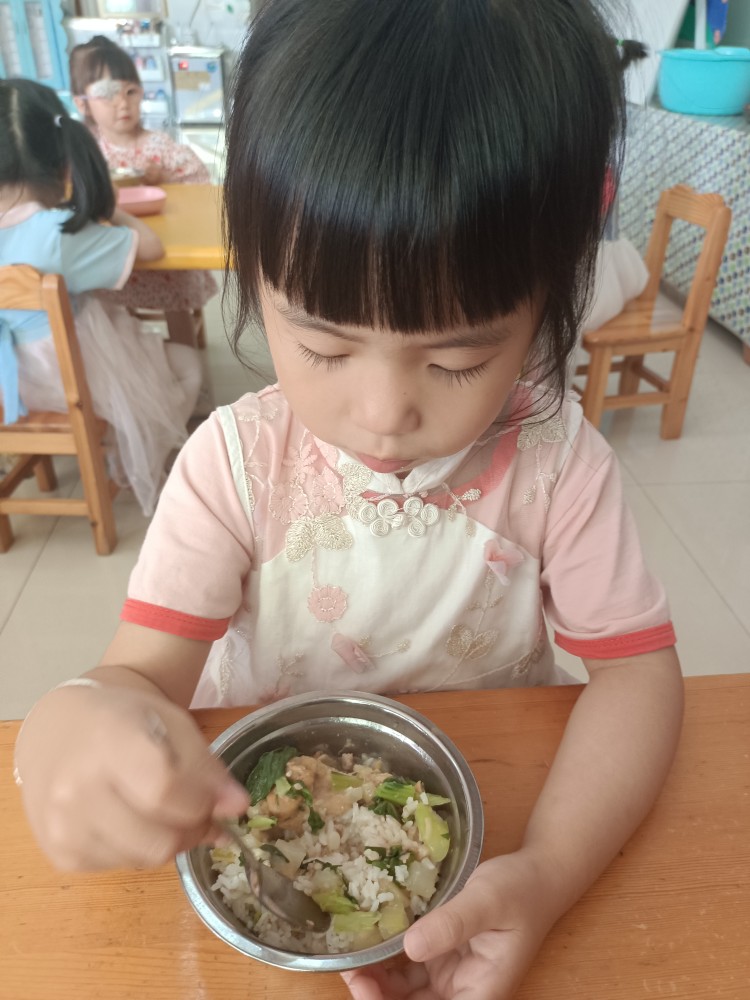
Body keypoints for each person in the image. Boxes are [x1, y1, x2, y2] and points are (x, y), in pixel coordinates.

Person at [14, 3, 684, 999]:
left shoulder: (558, 465)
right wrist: (69, 722)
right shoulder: (235, 465)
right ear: (256, 274)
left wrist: (547, 873)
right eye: (323, 345)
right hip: (265, 839)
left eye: (456, 359)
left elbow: (638, 678)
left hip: (499, 819)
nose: (383, 414)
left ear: (551, 297)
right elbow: (139, 678)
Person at [0, 79, 201, 516]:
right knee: (188, 363)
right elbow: (152, 248)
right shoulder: (57, 233)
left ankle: (120, 439)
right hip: (70, 382)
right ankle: (141, 452)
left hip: (11, 386)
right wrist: (109, 206)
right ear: (61, 158)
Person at [69, 36, 218, 347]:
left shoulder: (158, 145)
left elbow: (200, 184)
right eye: (107, 94)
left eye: (131, 91)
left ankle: (188, 355)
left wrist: (164, 178)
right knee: (100, 301)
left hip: (165, 250)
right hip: (115, 250)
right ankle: (131, 356)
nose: (122, 103)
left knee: (175, 287)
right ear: (82, 104)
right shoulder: (87, 151)